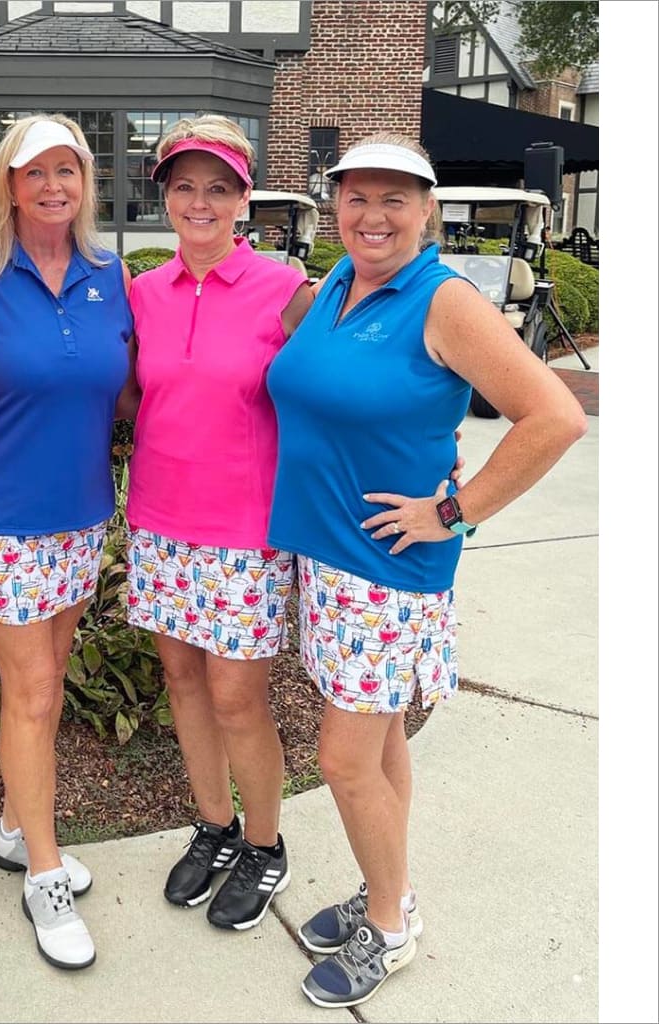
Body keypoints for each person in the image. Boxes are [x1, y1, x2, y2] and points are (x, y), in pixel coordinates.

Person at [264, 132, 588, 1008]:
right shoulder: (339, 281)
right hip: (328, 559)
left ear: (428, 211)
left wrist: (455, 508)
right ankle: (387, 891)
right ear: (335, 205)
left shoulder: (442, 300)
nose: (372, 216)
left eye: (394, 199)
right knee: (380, 747)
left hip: (386, 569)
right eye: (356, 197)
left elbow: (555, 416)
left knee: (342, 761)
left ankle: (392, 930)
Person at [0, 114, 134, 970]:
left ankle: (17, 828)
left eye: (69, 170)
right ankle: (45, 875)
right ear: (7, 185)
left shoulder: (110, 272)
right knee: (29, 692)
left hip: (84, 511)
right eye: (35, 172)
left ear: (85, 183)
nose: (54, 185)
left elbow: (132, 387)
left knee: (47, 684)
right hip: (0, 515)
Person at [122, 116, 314, 930]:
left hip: (245, 531)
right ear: (164, 195)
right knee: (182, 682)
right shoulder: (141, 293)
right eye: (184, 185)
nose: (200, 201)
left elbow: (344, 389)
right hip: (159, 521)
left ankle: (265, 846)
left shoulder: (289, 291)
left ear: (244, 199)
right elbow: (126, 394)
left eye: (219, 187)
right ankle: (213, 825)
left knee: (239, 698)